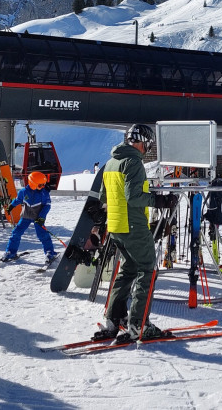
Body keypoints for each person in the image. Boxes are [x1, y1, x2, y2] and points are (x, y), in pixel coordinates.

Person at [93, 124, 174, 343]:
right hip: (133, 225)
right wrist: (159, 200)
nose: (148, 148)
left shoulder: (111, 162)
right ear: (143, 142)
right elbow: (133, 196)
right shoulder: (134, 162)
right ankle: (139, 325)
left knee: (128, 269)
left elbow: (103, 196)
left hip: (117, 226)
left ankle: (114, 318)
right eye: (148, 144)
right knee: (147, 270)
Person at [1, 171, 57, 263]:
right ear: (33, 184)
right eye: (40, 185)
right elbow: (18, 200)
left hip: (38, 217)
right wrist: (11, 206)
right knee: (16, 232)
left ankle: (50, 252)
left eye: (44, 185)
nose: (43, 187)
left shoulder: (44, 193)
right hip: (26, 216)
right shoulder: (23, 192)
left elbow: (47, 206)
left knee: (42, 235)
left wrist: (41, 217)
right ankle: (10, 252)